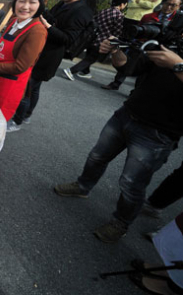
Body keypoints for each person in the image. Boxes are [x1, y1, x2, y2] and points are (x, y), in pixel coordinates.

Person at [54, 36, 183, 243]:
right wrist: (115, 51)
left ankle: (121, 223)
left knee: (131, 183)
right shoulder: (172, 42)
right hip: (127, 114)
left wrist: (177, 66)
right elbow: (127, 68)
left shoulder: (175, 58)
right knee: (97, 156)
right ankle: (82, 186)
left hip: (159, 133)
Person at [10, 0, 94, 131]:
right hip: (40, 51)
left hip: (49, 56)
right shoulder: (64, 3)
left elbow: (68, 39)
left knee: (27, 87)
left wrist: (47, 25)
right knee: (33, 87)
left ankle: (17, 120)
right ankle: (26, 115)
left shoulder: (82, 11)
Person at [101, 0, 182, 90]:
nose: (169, 7)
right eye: (167, 4)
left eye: (173, 5)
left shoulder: (178, 24)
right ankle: (117, 82)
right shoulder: (148, 16)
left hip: (164, 55)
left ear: (179, 7)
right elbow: (138, 31)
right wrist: (115, 49)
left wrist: (177, 64)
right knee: (130, 66)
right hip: (142, 47)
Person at [64, 0, 130, 81]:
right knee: (90, 59)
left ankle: (85, 72)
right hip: (103, 42)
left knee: (89, 57)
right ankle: (71, 71)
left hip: (93, 38)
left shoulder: (104, 11)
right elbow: (117, 32)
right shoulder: (119, 16)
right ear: (122, 4)